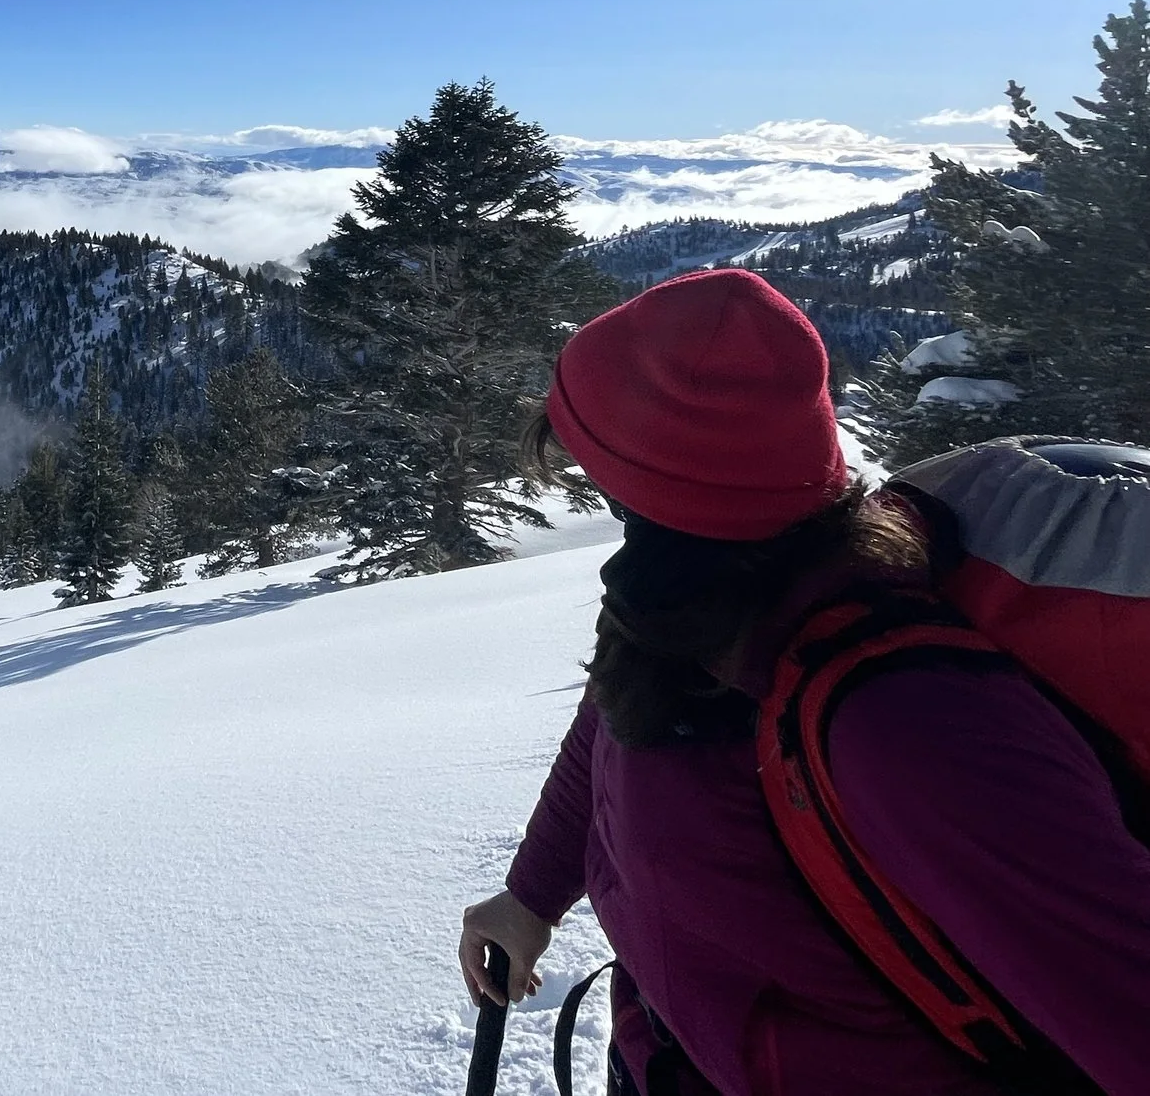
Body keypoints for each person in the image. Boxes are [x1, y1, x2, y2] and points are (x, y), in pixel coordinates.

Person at [458, 268, 1150, 1095]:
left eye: (593, 456)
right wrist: (532, 894)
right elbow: (609, 720)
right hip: (674, 1054)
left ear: (657, 480)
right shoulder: (680, 601)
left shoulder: (902, 716)